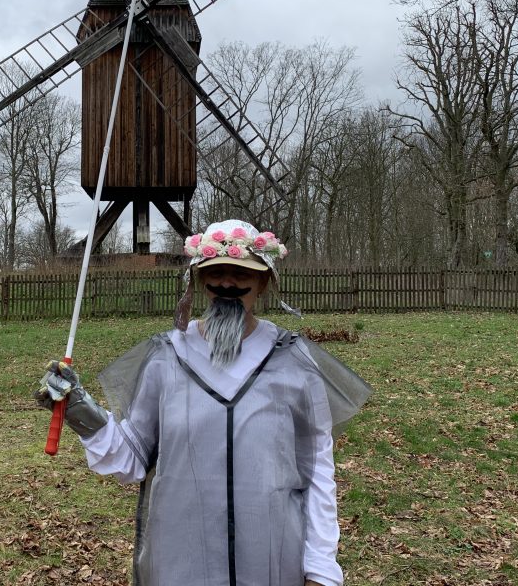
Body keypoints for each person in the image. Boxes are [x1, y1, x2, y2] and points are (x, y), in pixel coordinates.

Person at [36, 220, 371, 586]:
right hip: (180, 560)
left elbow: (317, 471)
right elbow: (132, 459)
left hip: (271, 560)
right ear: (198, 280)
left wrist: (321, 569)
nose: (227, 282)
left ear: (263, 283)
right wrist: (79, 409)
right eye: (216, 271)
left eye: (241, 272)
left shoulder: (293, 362)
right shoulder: (165, 358)